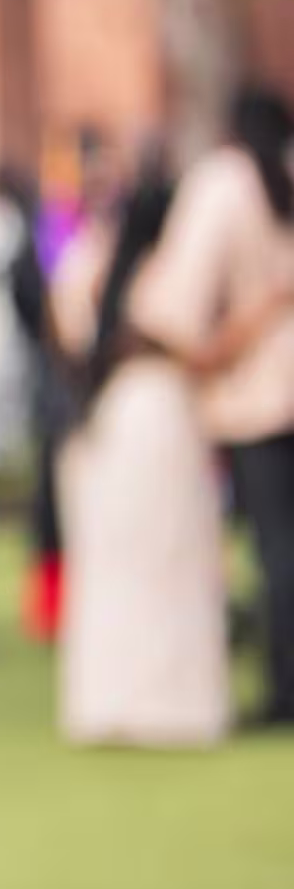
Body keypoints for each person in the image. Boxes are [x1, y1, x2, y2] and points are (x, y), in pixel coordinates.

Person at [51, 164, 232, 746]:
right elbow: (199, 351)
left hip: (113, 417)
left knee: (119, 565)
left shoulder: (98, 266)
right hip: (163, 415)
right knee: (171, 561)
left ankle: (116, 700)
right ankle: (170, 703)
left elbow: (66, 329)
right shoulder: (168, 275)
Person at [131, 86, 294, 727]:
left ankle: (286, 689)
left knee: (277, 547)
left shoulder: (225, 183)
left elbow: (172, 305)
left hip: (257, 391)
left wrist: (208, 347)